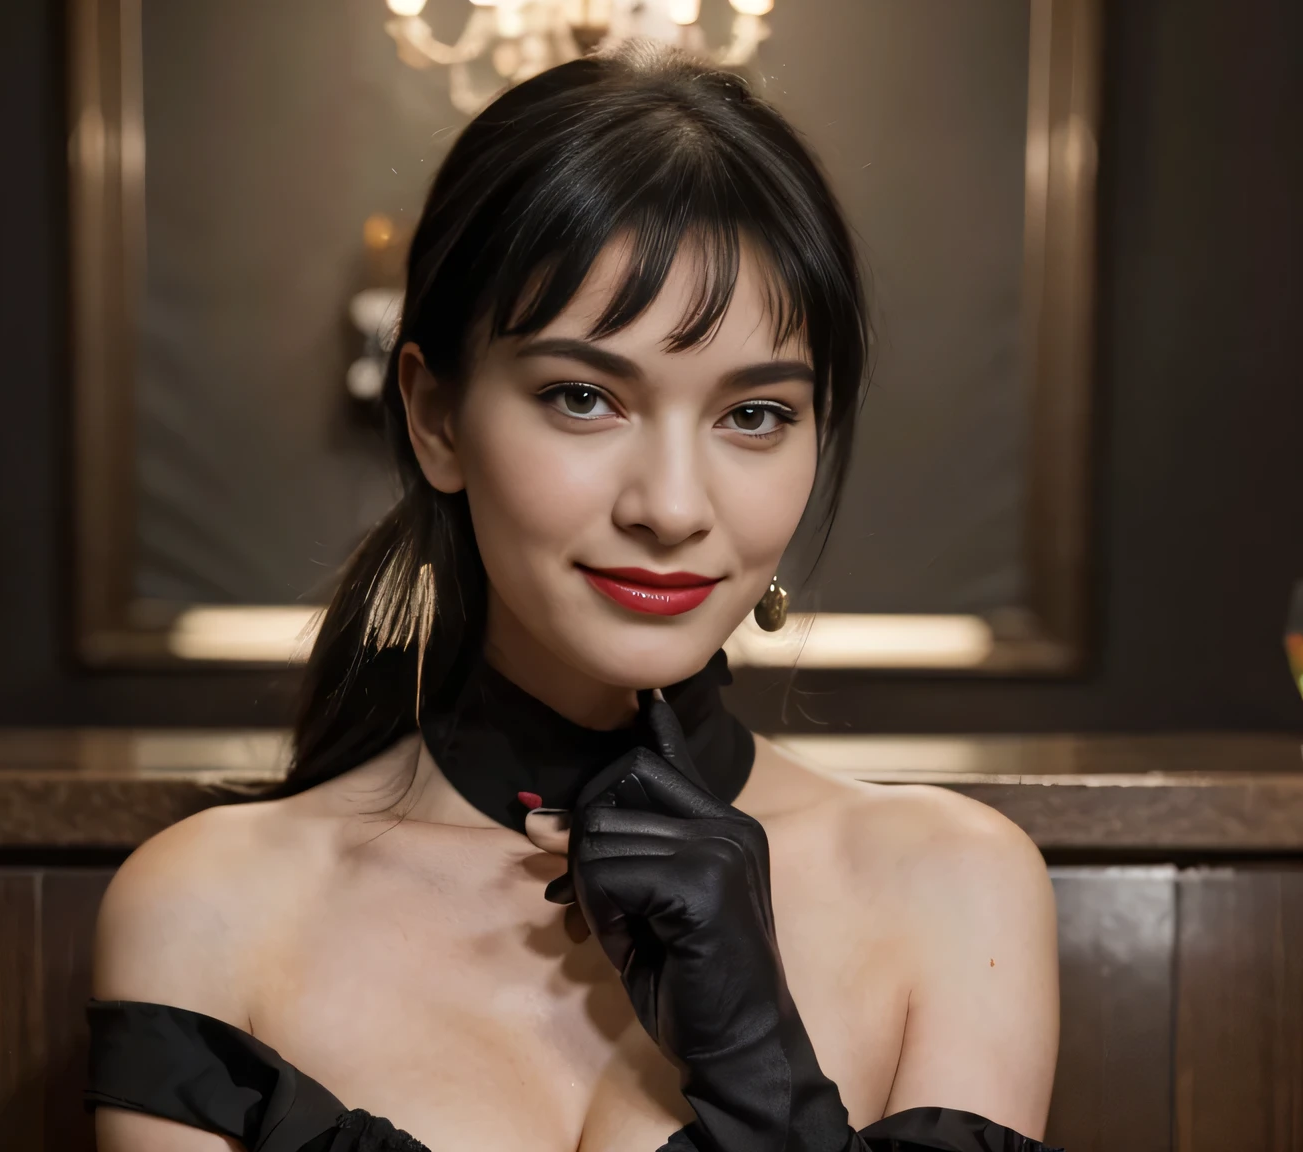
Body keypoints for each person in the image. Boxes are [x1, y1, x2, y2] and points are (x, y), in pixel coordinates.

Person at [88, 42, 1060, 1152]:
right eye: (585, 397)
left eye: (755, 415)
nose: (674, 506)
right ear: (435, 417)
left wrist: (756, 1054)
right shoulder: (212, 909)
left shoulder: (954, 888)